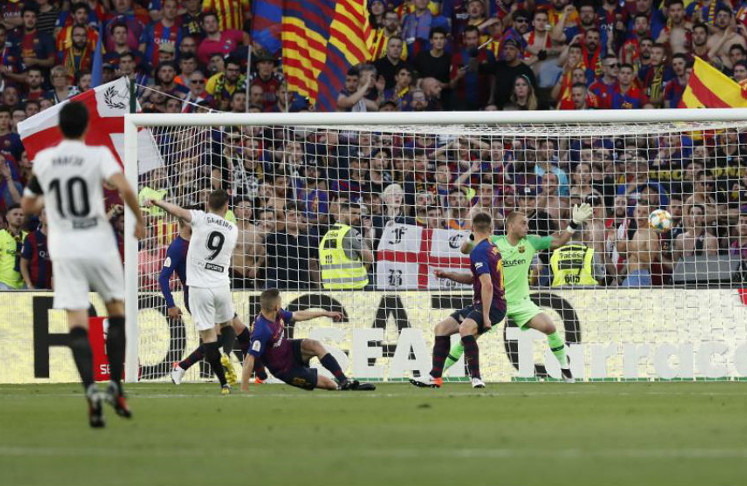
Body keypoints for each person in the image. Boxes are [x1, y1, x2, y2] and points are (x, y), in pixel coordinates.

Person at [20, 101, 146, 428]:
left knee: (76, 317)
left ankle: (90, 388)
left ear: (60, 127)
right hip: (98, 241)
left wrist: (43, 200)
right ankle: (116, 384)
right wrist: (139, 219)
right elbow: (123, 186)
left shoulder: (44, 160)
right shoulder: (97, 155)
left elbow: (28, 204)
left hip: (64, 246)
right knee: (115, 310)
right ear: (87, 127)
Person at [442, 204, 593, 382]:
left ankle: (565, 369)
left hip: (521, 302)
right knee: (468, 336)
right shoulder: (494, 242)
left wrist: (573, 223)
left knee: (550, 328)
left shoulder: (531, 241)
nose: (527, 228)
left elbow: (559, 242)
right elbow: (465, 250)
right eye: (524, 224)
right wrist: (473, 233)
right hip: (496, 303)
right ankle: (437, 372)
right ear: (511, 225)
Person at [144, 189, 238, 394]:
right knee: (225, 331)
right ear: (226, 207)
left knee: (216, 337)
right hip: (212, 288)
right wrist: (170, 303)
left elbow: (178, 210)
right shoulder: (230, 229)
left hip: (202, 290)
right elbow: (163, 276)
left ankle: (189, 368)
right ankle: (224, 363)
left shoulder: (200, 222)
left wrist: (157, 202)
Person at [161, 218, 268, 386]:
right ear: (184, 222)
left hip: (213, 292)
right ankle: (181, 367)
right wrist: (170, 304)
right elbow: (163, 277)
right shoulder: (177, 247)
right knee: (218, 337)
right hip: (196, 296)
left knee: (240, 330)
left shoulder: (201, 242)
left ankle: (261, 375)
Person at [410, 212, 508, 389]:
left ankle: (476, 378)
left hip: (492, 305)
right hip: (485, 302)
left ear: (471, 228)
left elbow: (487, 286)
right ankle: (435, 377)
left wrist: (485, 316)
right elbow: (474, 279)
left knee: (466, 329)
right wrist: (448, 274)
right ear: (491, 229)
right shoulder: (492, 247)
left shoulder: (479, 251)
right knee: (442, 328)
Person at [240, 288, 376, 392]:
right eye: (280, 303)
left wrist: (325, 313)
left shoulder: (276, 313)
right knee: (329, 384)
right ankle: (340, 387)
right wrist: (244, 389)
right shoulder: (262, 330)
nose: (281, 305)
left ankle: (344, 381)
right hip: (284, 369)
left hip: (288, 349)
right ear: (275, 306)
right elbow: (249, 359)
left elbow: (297, 315)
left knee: (314, 345)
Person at [319, 202, 374, 289]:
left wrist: (366, 232)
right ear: (343, 213)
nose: (357, 217)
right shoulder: (351, 232)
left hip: (330, 287)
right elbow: (369, 258)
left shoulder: (328, 234)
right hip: (353, 287)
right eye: (353, 213)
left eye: (359, 214)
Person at [20, 208, 52, 289]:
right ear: (40, 218)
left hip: (58, 288)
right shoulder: (31, 237)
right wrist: (29, 285)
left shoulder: (61, 238)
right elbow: (23, 264)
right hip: (35, 287)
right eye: (45, 214)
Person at [0, 204, 26, 289]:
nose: (18, 217)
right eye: (15, 214)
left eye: (21, 215)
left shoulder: (29, 237)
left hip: (23, 285)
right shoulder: (1, 235)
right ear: (7, 217)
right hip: (3, 283)